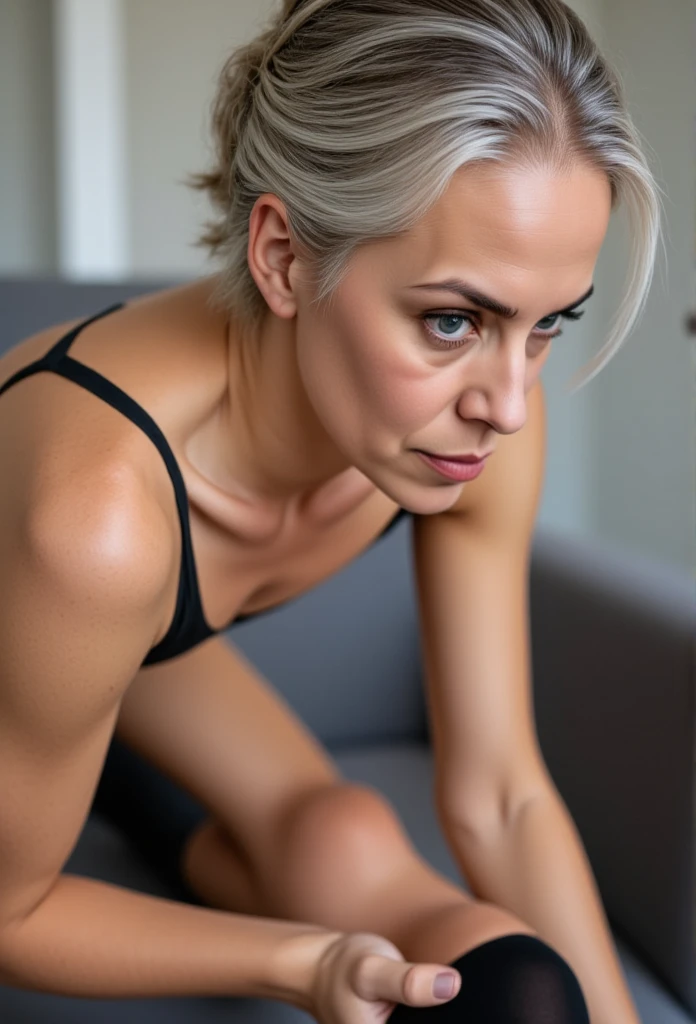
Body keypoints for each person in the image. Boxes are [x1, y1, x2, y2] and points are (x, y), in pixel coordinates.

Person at [0, 0, 660, 1021]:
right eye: (453, 320)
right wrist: (301, 964)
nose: (509, 405)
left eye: (546, 325)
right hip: (47, 621)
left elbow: (500, 794)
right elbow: (10, 910)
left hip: (117, 654)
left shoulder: (483, 421)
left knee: (387, 877)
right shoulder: (97, 516)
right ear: (282, 257)